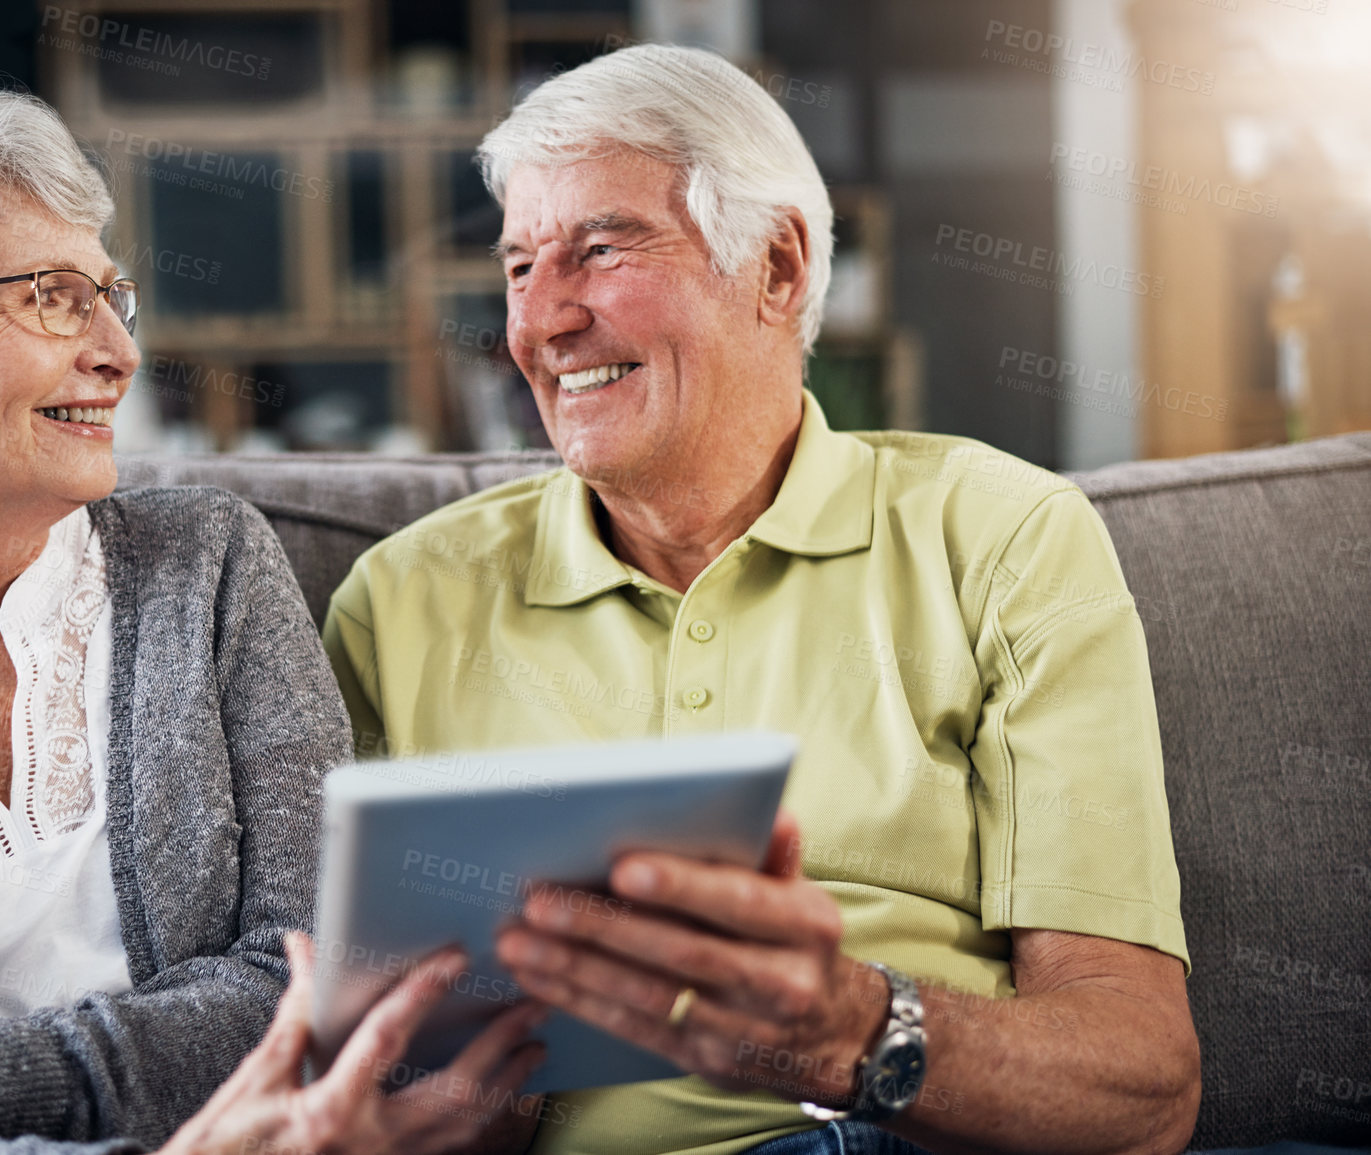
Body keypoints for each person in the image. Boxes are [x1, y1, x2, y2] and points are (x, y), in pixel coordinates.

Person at [323, 44, 1201, 1155]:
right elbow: (378, 1078)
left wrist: (849, 1029)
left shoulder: (1003, 537)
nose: (539, 323)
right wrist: (457, 1095)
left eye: (599, 249)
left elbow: (1144, 1091)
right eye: (515, 268)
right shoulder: (398, 603)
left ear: (778, 268)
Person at [0, 78, 542, 1155]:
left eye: (113, 294)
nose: (118, 350)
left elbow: (300, 981)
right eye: (53, 297)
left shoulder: (207, 569)